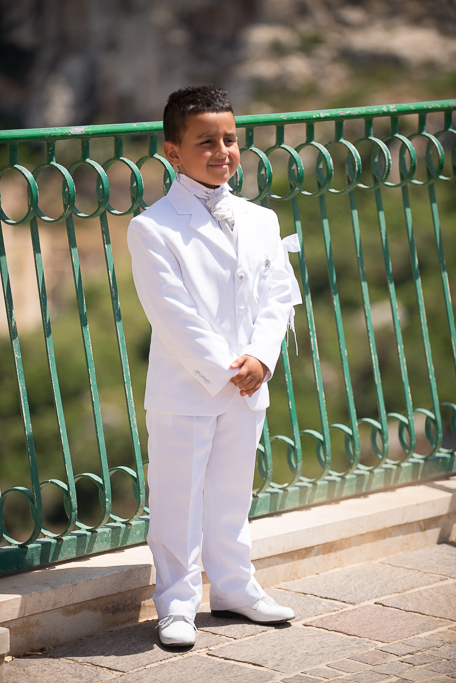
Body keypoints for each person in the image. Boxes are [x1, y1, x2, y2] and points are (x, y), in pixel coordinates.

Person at [127, 85, 301, 648]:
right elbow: (171, 312)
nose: (222, 151)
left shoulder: (261, 218)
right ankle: (176, 605)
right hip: (187, 387)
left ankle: (233, 588)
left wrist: (262, 357)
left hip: (251, 382)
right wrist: (228, 368)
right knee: (178, 499)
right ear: (173, 151)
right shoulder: (153, 227)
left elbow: (278, 293)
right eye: (206, 141)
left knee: (231, 495)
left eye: (229, 139)